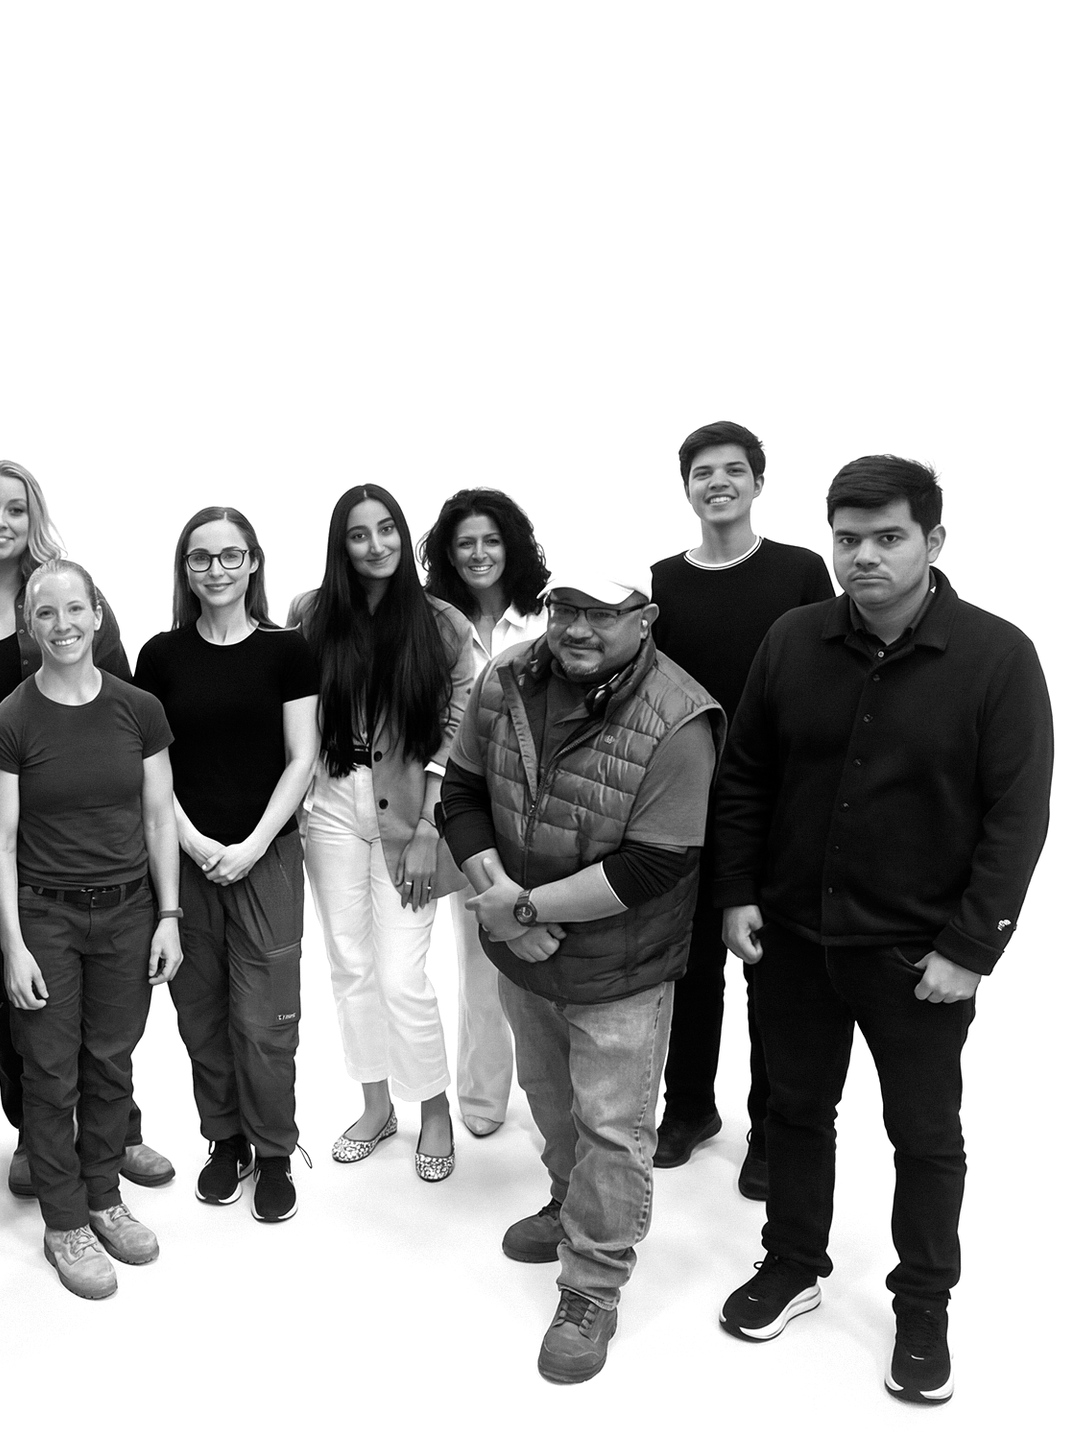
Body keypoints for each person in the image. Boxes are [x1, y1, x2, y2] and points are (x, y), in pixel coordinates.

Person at [712, 457, 1051, 1407]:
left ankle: (924, 1302)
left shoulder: (997, 657)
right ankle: (793, 1263)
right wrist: (738, 891)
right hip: (793, 940)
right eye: (848, 537)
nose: (863, 556)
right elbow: (746, 775)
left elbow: (1016, 815)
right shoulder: (792, 639)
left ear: (935, 542)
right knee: (793, 1113)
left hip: (916, 960)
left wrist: (969, 949)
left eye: (888, 536)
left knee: (926, 1137)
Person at [441, 554, 722, 1384]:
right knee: (550, 1098)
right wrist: (499, 898)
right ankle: (569, 1202)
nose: (577, 627)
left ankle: (594, 1281)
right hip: (526, 956)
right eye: (565, 606)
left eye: (602, 612)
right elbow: (459, 792)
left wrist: (523, 910)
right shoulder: (505, 678)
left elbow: (655, 865)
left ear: (646, 618)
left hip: (620, 967)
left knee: (613, 1123)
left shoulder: (680, 715)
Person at [0, 458, 175, 1195]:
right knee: (8, 983)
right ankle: (37, 1128)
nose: (1, 522)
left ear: (35, 518)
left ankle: (114, 1134)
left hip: (69, 821)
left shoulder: (67, 592)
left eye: (16, 510)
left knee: (99, 1006)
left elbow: (118, 706)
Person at [0, 559, 183, 1299]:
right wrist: (12, 944)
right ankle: (64, 1218)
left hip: (130, 912)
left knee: (111, 1061)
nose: (63, 625)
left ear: (98, 615)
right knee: (50, 1067)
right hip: (46, 915)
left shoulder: (140, 709)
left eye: (76, 609)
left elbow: (160, 817)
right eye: (46, 613)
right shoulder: (10, 720)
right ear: (28, 626)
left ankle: (104, 1195)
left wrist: (169, 915)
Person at [649, 421, 833, 1193]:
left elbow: (829, 677)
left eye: (733, 470)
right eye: (702, 471)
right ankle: (689, 1107)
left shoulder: (798, 571)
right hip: (687, 803)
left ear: (758, 482)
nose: (717, 481)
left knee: (770, 972)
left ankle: (768, 1124)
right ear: (686, 485)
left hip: (776, 804)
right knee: (688, 966)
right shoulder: (664, 580)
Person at [134, 507, 316, 1221]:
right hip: (185, 859)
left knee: (266, 1020)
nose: (216, 569)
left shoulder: (288, 650)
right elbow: (155, 769)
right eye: (201, 557)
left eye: (230, 555)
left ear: (253, 563)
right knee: (201, 1013)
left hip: (265, 855)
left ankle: (274, 1151)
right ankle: (227, 1141)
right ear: (185, 569)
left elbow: (302, 757)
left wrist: (251, 844)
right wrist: (193, 840)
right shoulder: (161, 657)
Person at [288, 485, 473, 1183]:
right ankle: (375, 1105)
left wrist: (431, 823)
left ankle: (432, 1107)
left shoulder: (443, 623)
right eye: (359, 534)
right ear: (342, 544)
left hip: (410, 815)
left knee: (402, 975)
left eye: (387, 529)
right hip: (332, 804)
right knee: (350, 966)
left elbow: (461, 731)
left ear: (402, 535)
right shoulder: (309, 614)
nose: (376, 545)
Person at [419, 487, 552, 1141]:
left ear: (513, 546)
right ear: (448, 554)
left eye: (491, 540)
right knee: (478, 957)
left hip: (543, 806)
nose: (478, 553)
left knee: (550, 951)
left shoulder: (547, 617)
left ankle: (558, 1089)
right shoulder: (432, 624)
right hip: (464, 806)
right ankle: (482, 1091)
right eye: (465, 542)